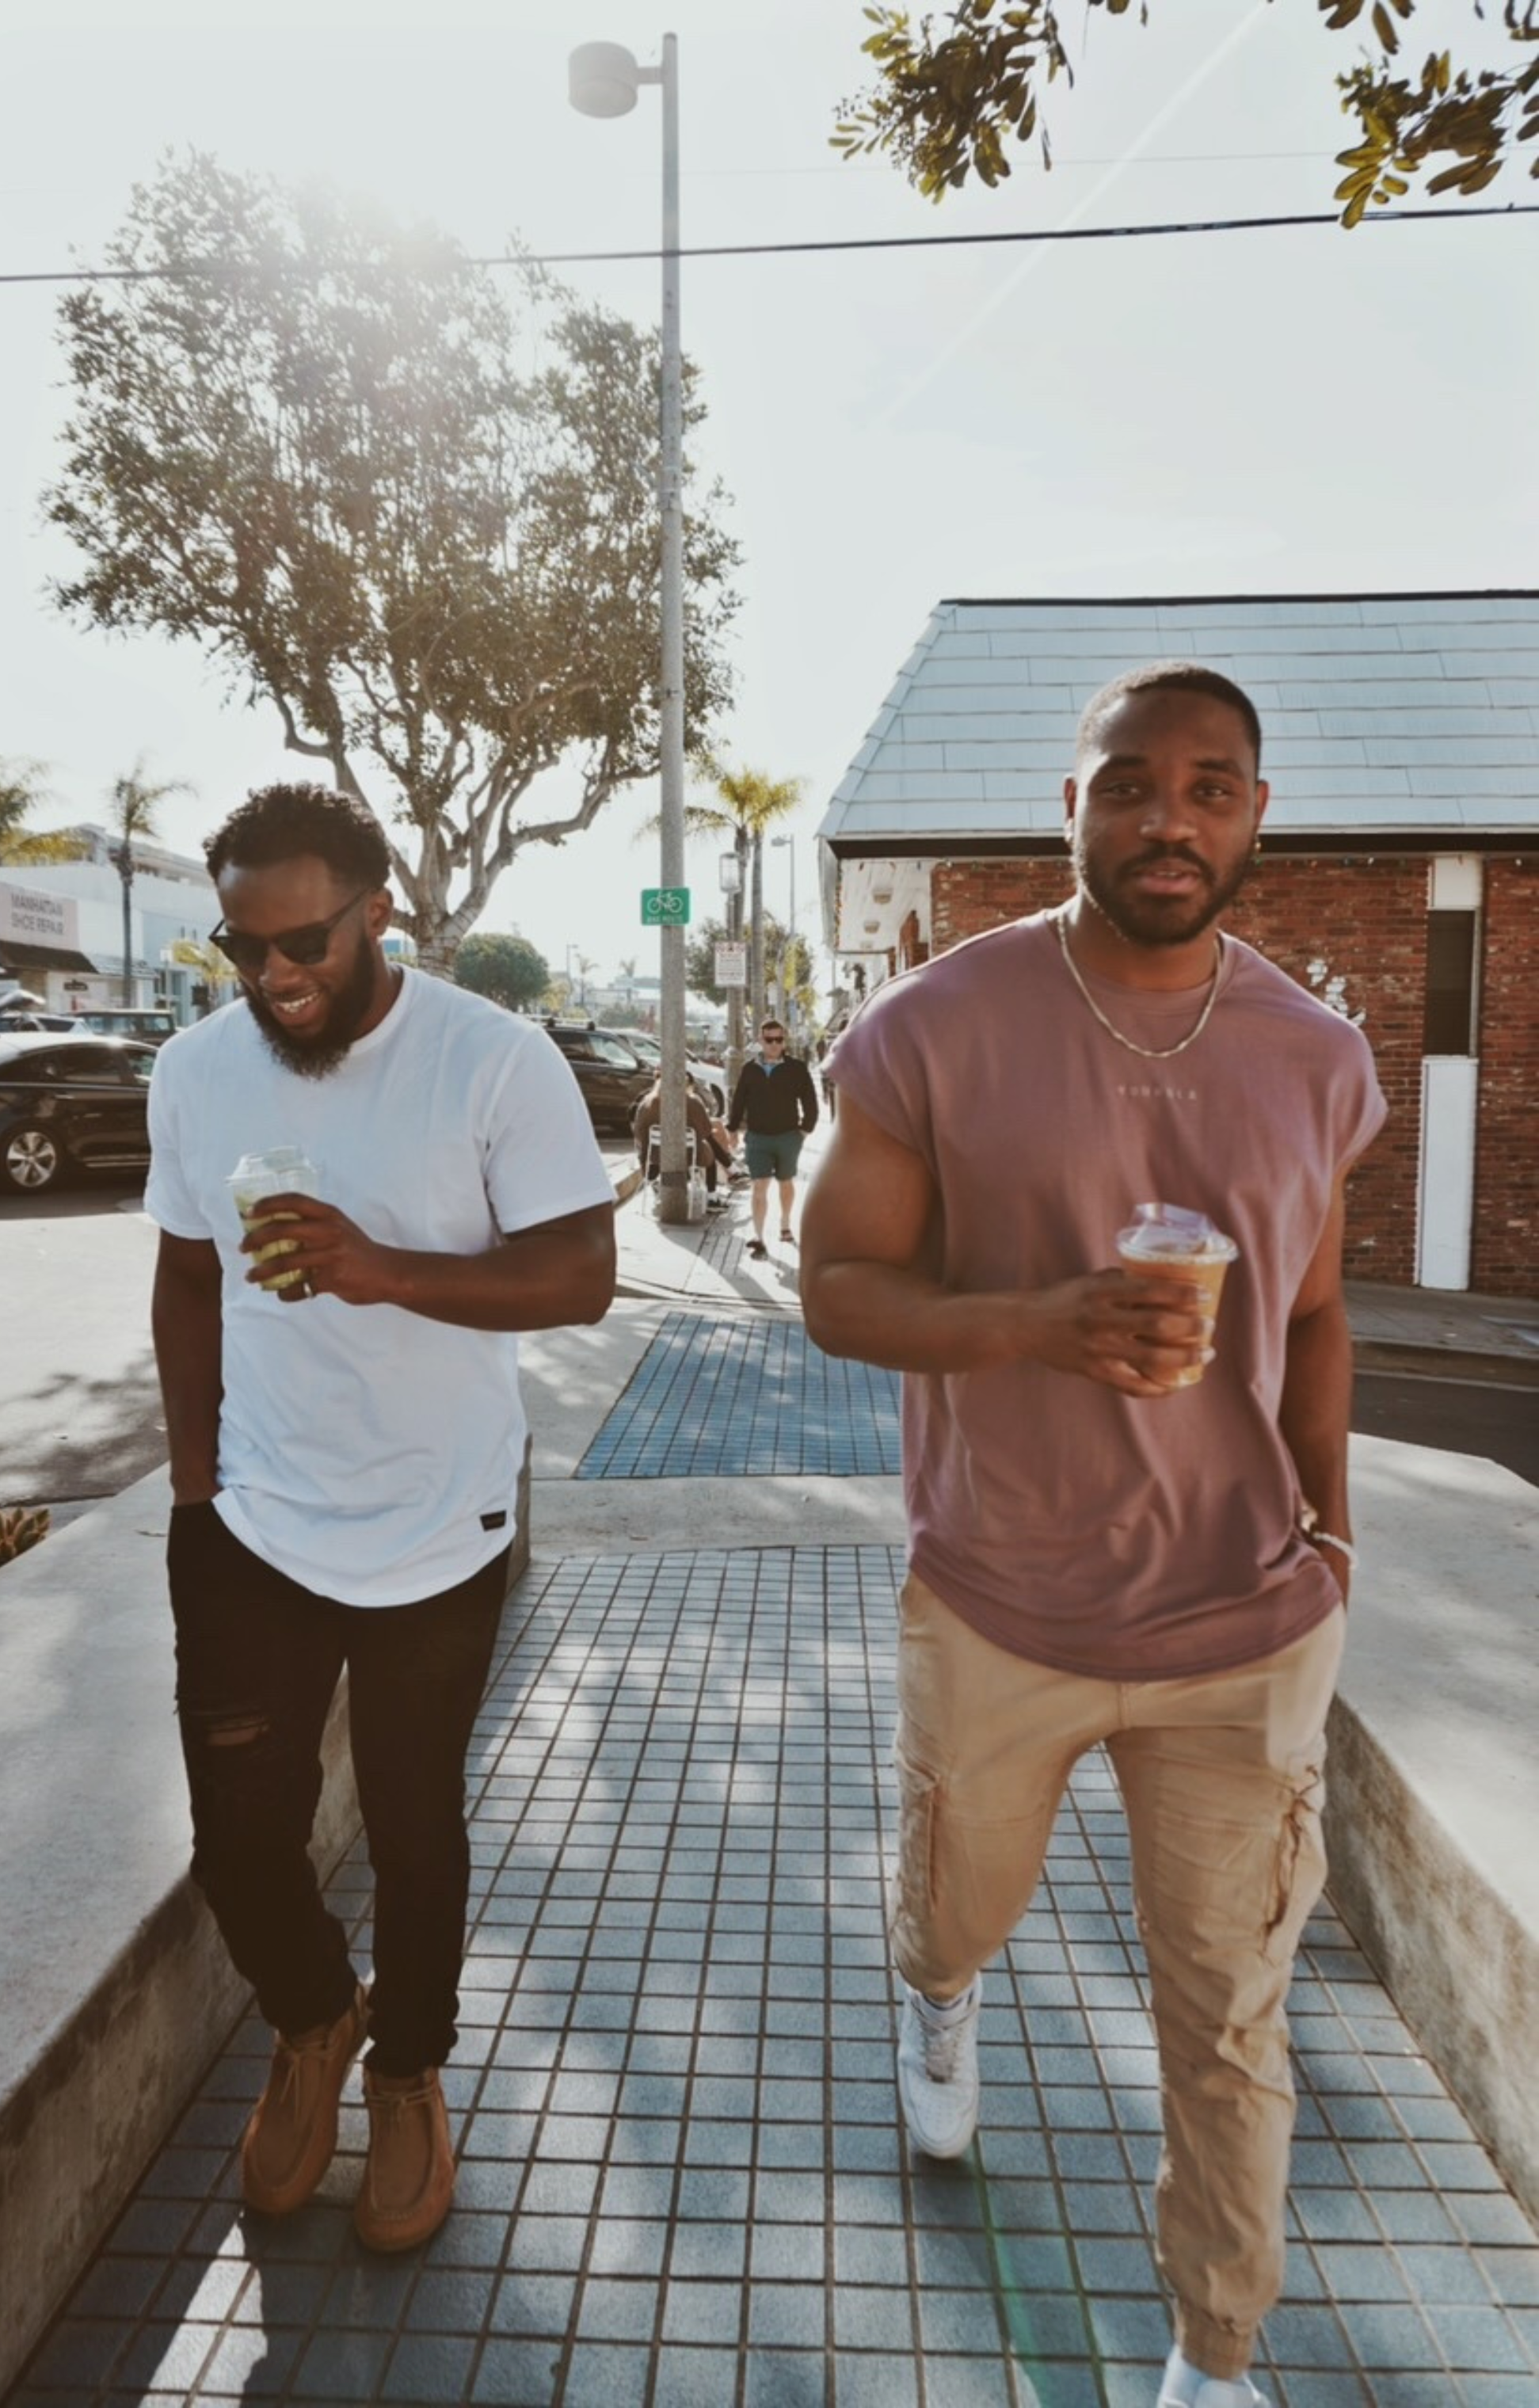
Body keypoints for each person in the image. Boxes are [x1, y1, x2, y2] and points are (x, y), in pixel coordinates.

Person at [800, 665, 1385, 2408]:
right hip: (1001, 1603)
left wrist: (1334, 1530)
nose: (1169, 819)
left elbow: (1327, 1304)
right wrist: (1047, 1321)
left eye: (1211, 787)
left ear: (1255, 815)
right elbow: (837, 1289)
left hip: (1244, 1629)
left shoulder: (1319, 1051)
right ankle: (937, 1993)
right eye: (1129, 784)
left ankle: (1214, 2357)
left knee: (1227, 2019)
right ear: (1070, 804)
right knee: (954, 1910)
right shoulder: (932, 1026)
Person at [146, 783, 615, 2254]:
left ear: (379, 912)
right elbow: (182, 1273)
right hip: (253, 1524)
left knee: (416, 1834)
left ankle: (408, 2073)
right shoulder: (196, 1072)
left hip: (436, 1520)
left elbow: (579, 1276)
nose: (277, 975)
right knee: (239, 1840)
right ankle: (313, 2024)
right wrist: (193, 1484)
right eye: (245, 947)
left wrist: (383, 1269)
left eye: (306, 942)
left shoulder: (493, 1059)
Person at [726, 1019, 819, 1259]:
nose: (775, 1044)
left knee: (785, 1182)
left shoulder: (797, 1068)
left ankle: (785, 1224)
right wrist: (732, 1129)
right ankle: (758, 1237)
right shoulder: (750, 1069)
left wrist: (804, 1131)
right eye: (770, 1040)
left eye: (779, 1040)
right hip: (757, 1138)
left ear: (784, 1040)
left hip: (788, 1137)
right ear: (760, 1040)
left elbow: (810, 1102)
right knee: (759, 1186)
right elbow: (739, 1101)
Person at [632, 1071, 730, 1208]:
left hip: (654, 1157)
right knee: (709, 1153)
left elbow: (637, 1132)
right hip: (690, 1156)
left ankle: (656, 1184)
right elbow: (706, 1130)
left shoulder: (646, 1104)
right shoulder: (693, 1102)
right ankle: (712, 1197)